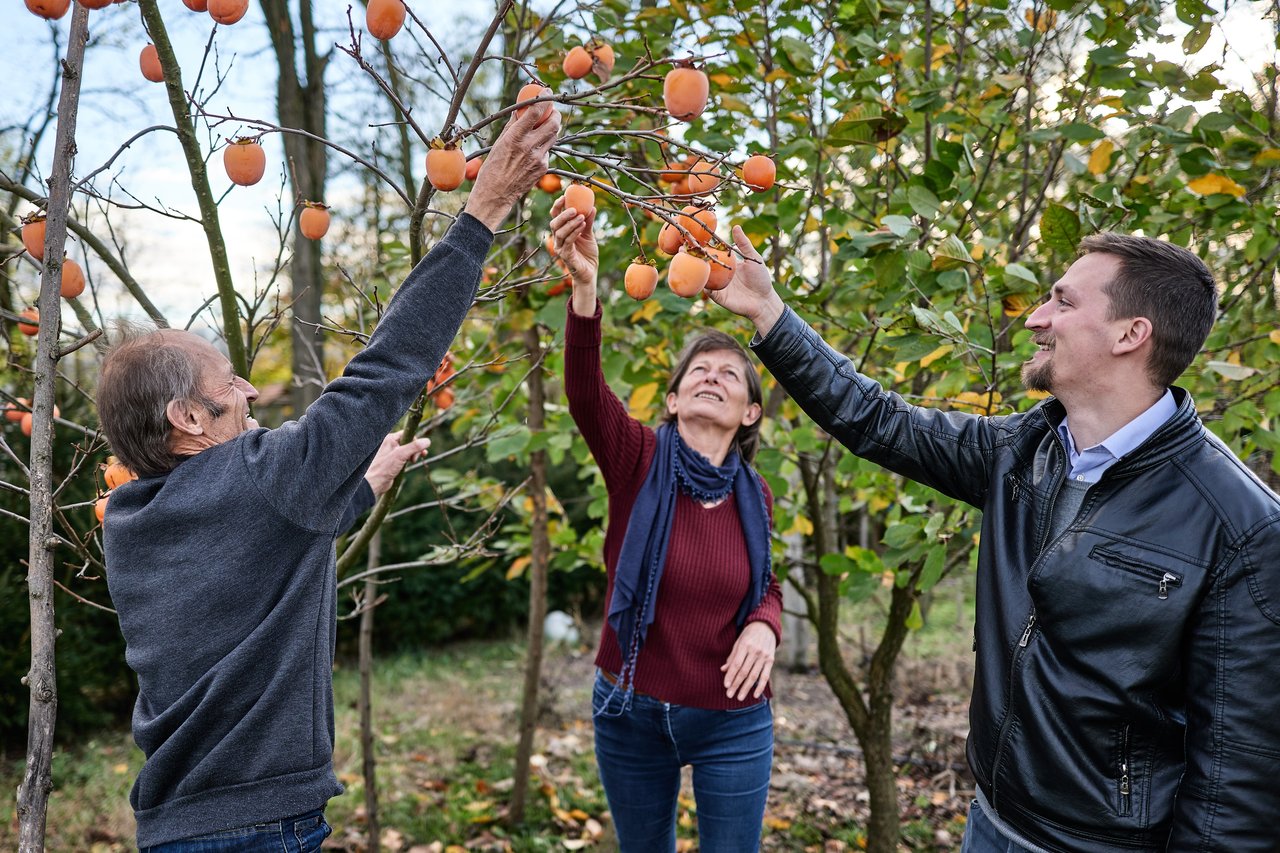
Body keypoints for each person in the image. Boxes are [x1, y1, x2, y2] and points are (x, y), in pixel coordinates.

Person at [710, 226, 1280, 851]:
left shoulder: (1239, 525)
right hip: (990, 821)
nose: (1036, 318)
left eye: (1063, 302)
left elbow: (1238, 769)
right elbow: (878, 420)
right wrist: (769, 312)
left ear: (1130, 334)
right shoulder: (1024, 451)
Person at [96, 105, 560, 852]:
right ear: (187, 415)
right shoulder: (262, 479)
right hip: (260, 827)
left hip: (175, 826)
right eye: (228, 380)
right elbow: (386, 369)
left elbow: (255, 559)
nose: (248, 389)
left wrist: (358, 483)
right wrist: (484, 210)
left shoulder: (129, 518)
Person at [548, 200, 783, 853]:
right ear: (675, 398)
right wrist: (587, 288)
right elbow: (585, 393)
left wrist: (765, 625)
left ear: (749, 412)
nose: (711, 374)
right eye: (697, 370)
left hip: (733, 718)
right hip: (631, 708)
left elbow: (764, 584)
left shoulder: (753, 493)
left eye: (729, 372)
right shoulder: (637, 461)